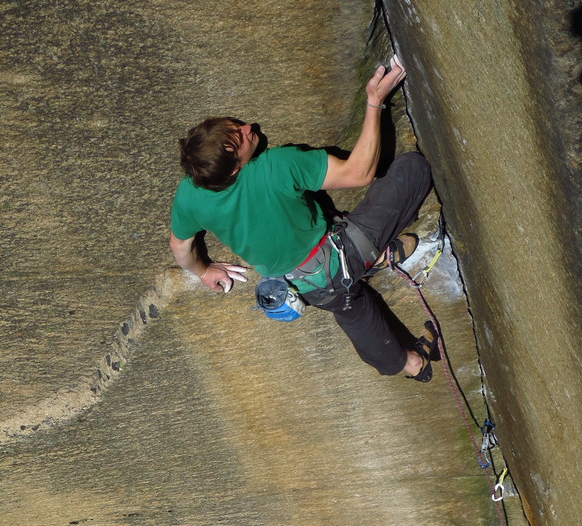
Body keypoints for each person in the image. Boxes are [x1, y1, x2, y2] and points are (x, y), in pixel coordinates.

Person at [169, 59, 438, 381]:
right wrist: (374, 101)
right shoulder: (275, 165)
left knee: (351, 309)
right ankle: (372, 257)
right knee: (412, 169)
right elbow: (359, 173)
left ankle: (412, 365)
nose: (248, 128)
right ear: (233, 168)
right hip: (344, 252)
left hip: (304, 289)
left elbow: (180, 247)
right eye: (239, 138)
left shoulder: (190, 193)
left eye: (234, 126)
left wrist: (204, 271)